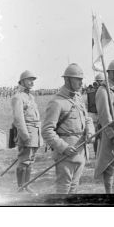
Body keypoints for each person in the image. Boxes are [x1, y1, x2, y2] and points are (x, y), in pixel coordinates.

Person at [42, 64, 95, 194]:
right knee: (63, 190)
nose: (81, 82)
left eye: (81, 79)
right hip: (65, 155)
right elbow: (47, 130)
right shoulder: (57, 102)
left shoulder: (78, 99)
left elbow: (87, 118)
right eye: (78, 79)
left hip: (81, 152)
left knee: (74, 188)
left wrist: (90, 131)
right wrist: (63, 147)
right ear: (67, 80)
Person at [94, 60, 114, 193]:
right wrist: (113, 137)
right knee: (108, 167)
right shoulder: (103, 91)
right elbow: (105, 117)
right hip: (109, 135)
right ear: (111, 73)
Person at [10, 70, 43, 193]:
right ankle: (20, 187)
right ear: (22, 81)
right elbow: (18, 118)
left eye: (33, 80)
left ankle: (26, 185)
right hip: (28, 133)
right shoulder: (18, 97)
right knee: (24, 160)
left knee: (30, 160)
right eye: (30, 80)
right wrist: (25, 135)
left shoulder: (30, 96)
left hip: (35, 133)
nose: (32, 83)